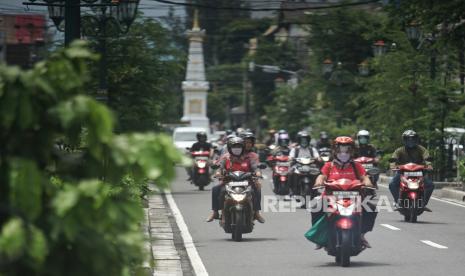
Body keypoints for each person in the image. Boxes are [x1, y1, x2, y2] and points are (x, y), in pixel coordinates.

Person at [314, 136, 377, 248]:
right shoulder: (329, 165)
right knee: (315, 207)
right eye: (340, 148)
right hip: (331, 197)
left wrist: (368, 183)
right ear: (335, 150)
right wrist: (319, 182)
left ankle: (362, 234)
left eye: (347, 148)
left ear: (352, 150)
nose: (344, 152)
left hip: (354, 197)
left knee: (371, 208)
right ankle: (320, 237)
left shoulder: (356, 165)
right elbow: (322, 176)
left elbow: (364, 177)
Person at [206, 137, 265, 223]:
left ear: (243, 148)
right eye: (234, 147)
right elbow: (220, 167)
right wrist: (218, 173)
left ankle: (256, 213)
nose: (237, 149)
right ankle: (215, 212)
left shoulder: (248, 157)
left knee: (256, 190)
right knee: (216, 189)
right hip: (228, 182)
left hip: (247, 182)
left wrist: (258, 173)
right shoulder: (225, 157)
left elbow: (255, 167)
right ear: (229, 148)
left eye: (239, 147)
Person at [389, 130, 434, 210]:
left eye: (412, 139)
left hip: (419, 173)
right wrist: (393, 166)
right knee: (392, 184)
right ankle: (397, 201)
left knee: (430, 185)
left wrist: (429, 165)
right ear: (404, 140)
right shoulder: (399, 150)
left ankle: (423, 203)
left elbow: (427, 157)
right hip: (403, 173)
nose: (410, 141)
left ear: (416, 139)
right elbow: (393, 159)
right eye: (408, 139)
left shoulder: (421, 149)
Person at [289, 131, 321, 195]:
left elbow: (317, 156)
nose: (304, 141)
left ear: (308, 140)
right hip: (298, 166)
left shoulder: (312, 149)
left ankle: (316, 189)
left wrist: (318, 158)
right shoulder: (295, 149)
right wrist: (290, 158)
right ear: (299, 140)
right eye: (302, 140)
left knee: (318, 172)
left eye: (305, 140)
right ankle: (292, 189)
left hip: (310, 166)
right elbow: (290, 156)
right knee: (290, 173)